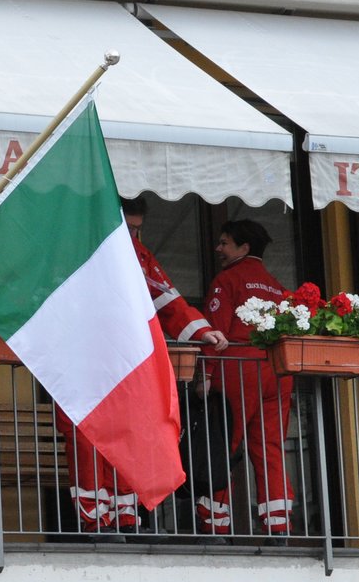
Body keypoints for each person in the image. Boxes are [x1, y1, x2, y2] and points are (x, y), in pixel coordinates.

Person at [55, 195, 228, 536]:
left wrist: (202, 331)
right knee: (86, 437)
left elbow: (167, 298)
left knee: (125, 434)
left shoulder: (137, 253)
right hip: (80, 359)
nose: (134, 236)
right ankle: (95, 520)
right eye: (129, 228)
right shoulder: (74, 246)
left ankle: (126, 516)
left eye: (138, 230)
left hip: (123, 362)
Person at [197, 219, 294, 541]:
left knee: (224, 445)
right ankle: (279, 525)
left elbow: (215, 332)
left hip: (239, 370)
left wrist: (205, 375)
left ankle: (216, 525)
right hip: (277, 373)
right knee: (270, 447)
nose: (218, 249)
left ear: (244, 248)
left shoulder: (227, 280)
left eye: (225, 243)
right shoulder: (277, 287)